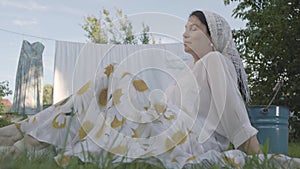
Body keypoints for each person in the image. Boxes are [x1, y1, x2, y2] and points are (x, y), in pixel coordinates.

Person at [0, 10, 260, 168]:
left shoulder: (215, 60)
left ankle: (23, 137)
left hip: (190, 141)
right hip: (167, 128)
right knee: (102, 97)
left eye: (194, 29)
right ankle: (25, 142)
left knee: (115, 73)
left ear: (213, 37)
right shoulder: (186, 71)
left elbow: (234, 114)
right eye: (184, 28)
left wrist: (257, 155)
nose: (184, 34)